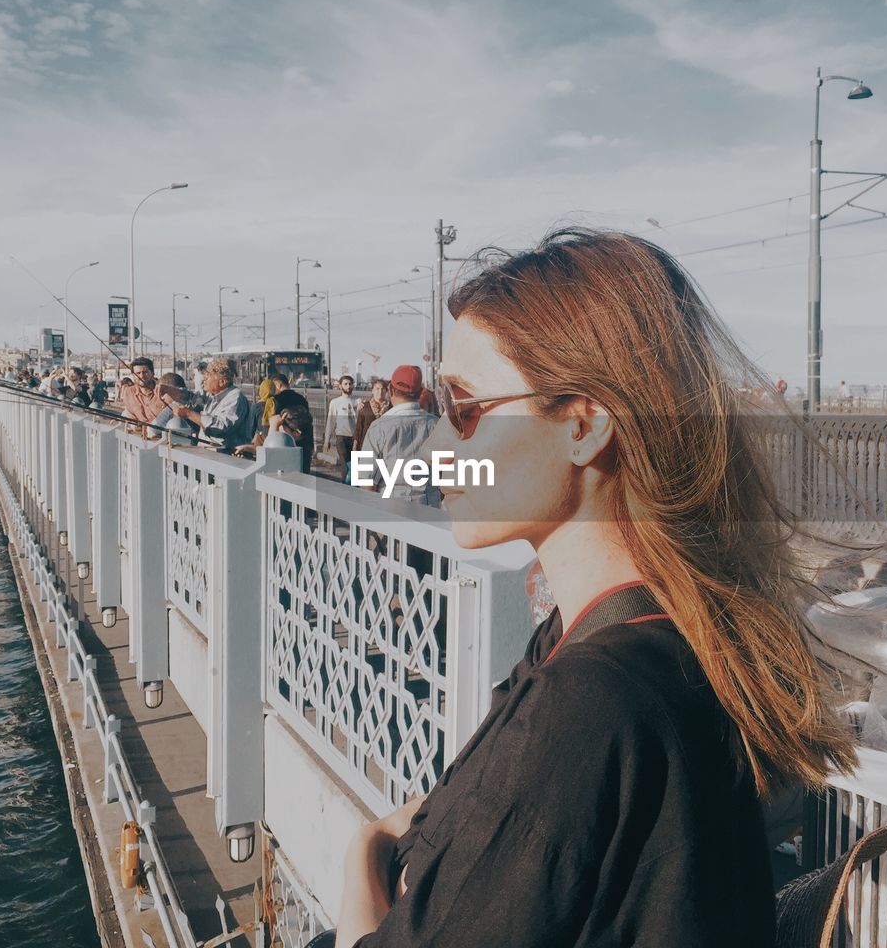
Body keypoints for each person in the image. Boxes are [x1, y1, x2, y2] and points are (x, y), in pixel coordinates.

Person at [335, 229, 856, 947]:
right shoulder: (659, 631)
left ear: (584, 426)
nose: (437, 450)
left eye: (464, 411)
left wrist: (363, 851)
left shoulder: (591, 702)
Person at [358, 366, 439, 505]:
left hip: (391, 508)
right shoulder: (436, 425)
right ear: (420, 393)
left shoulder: (379, 427)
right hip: (430, 507)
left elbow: (366, 480)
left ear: (390, 390)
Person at [173, 357, 252, 452]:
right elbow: (190, 397)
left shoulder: (236, 398)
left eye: (208, 376)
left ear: (222, 382)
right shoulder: (210, 394)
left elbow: (220, 427)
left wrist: (189, 414)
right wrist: (168, 390)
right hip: (206, 454)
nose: (204, 379)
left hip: (226, 458)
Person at [323, 374, 358, 480]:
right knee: (345, 464)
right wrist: (326, 440)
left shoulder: (358, 401)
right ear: (340, 386)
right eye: (345, 384)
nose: (348, 386)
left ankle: (354, 487)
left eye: (350, 384)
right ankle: (345, 485)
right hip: (341, 437)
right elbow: (331, 421)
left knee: (355, 465)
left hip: (355, 438)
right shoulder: (335, 402)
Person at [119, 357, 165, 430]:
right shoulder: (128, 392)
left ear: (152, 373)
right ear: (133, 375)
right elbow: (131, 417)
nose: (141, 376)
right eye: (138, 373)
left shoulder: (163, 391)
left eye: (145, 372)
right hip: (141, 436)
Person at [351, 377, 390, 453]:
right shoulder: (364, 406)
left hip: (385, 445)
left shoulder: (390, 407)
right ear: (372, 391)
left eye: (383, 389)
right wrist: (355, 446)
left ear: (386, 391)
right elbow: (359, 428)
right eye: (377, 389)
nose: (380, 391)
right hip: (366, 444)